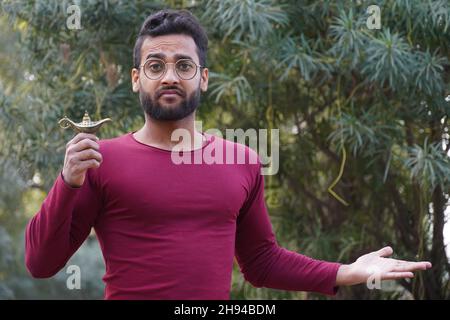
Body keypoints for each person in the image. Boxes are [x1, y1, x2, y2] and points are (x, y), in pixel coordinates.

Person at [25, 9, 431, 300]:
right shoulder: (100, 161)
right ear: (136, 80)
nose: (169, 76)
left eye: (184, 65)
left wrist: (347, 272)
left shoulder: (241, 161)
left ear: (203, 77)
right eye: (154, 66)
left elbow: (261, 261)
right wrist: (66, 183)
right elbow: (40, 263)